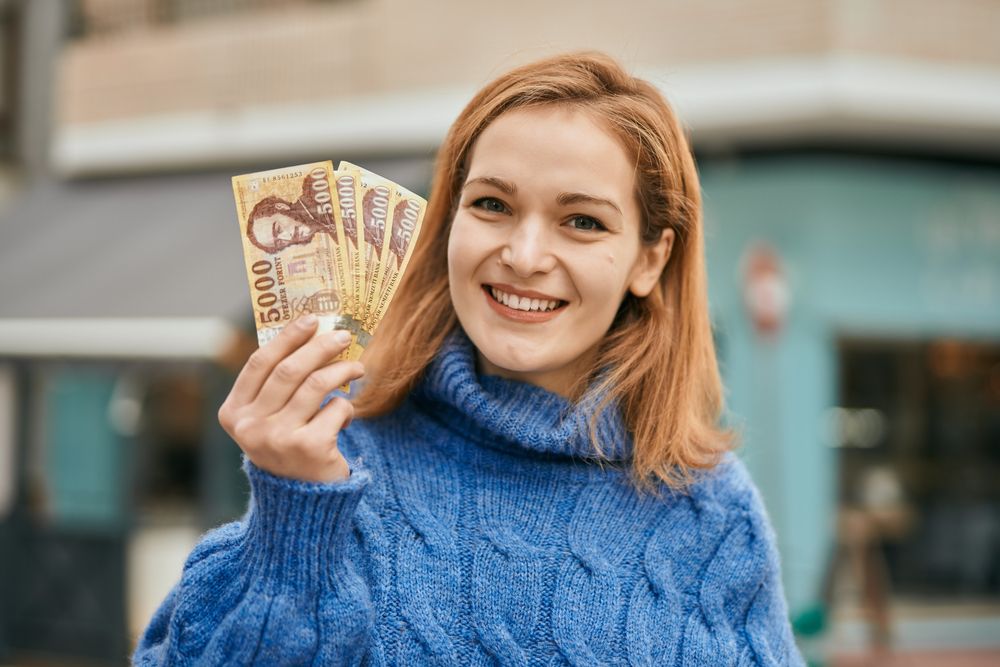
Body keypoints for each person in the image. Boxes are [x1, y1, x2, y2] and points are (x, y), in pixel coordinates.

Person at [134, 52, 804, 665]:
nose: (524, 254)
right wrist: (292, 517)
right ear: (449, 218)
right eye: (492, 204)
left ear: (650, 258)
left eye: (583, 221)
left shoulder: (713, 514)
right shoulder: (334, 457)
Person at [245, 170, 338, 253]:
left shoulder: (315, 185)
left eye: (279, 229)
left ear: (281, 207)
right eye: (279, 242)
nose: (288, 237)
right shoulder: (327, 233)